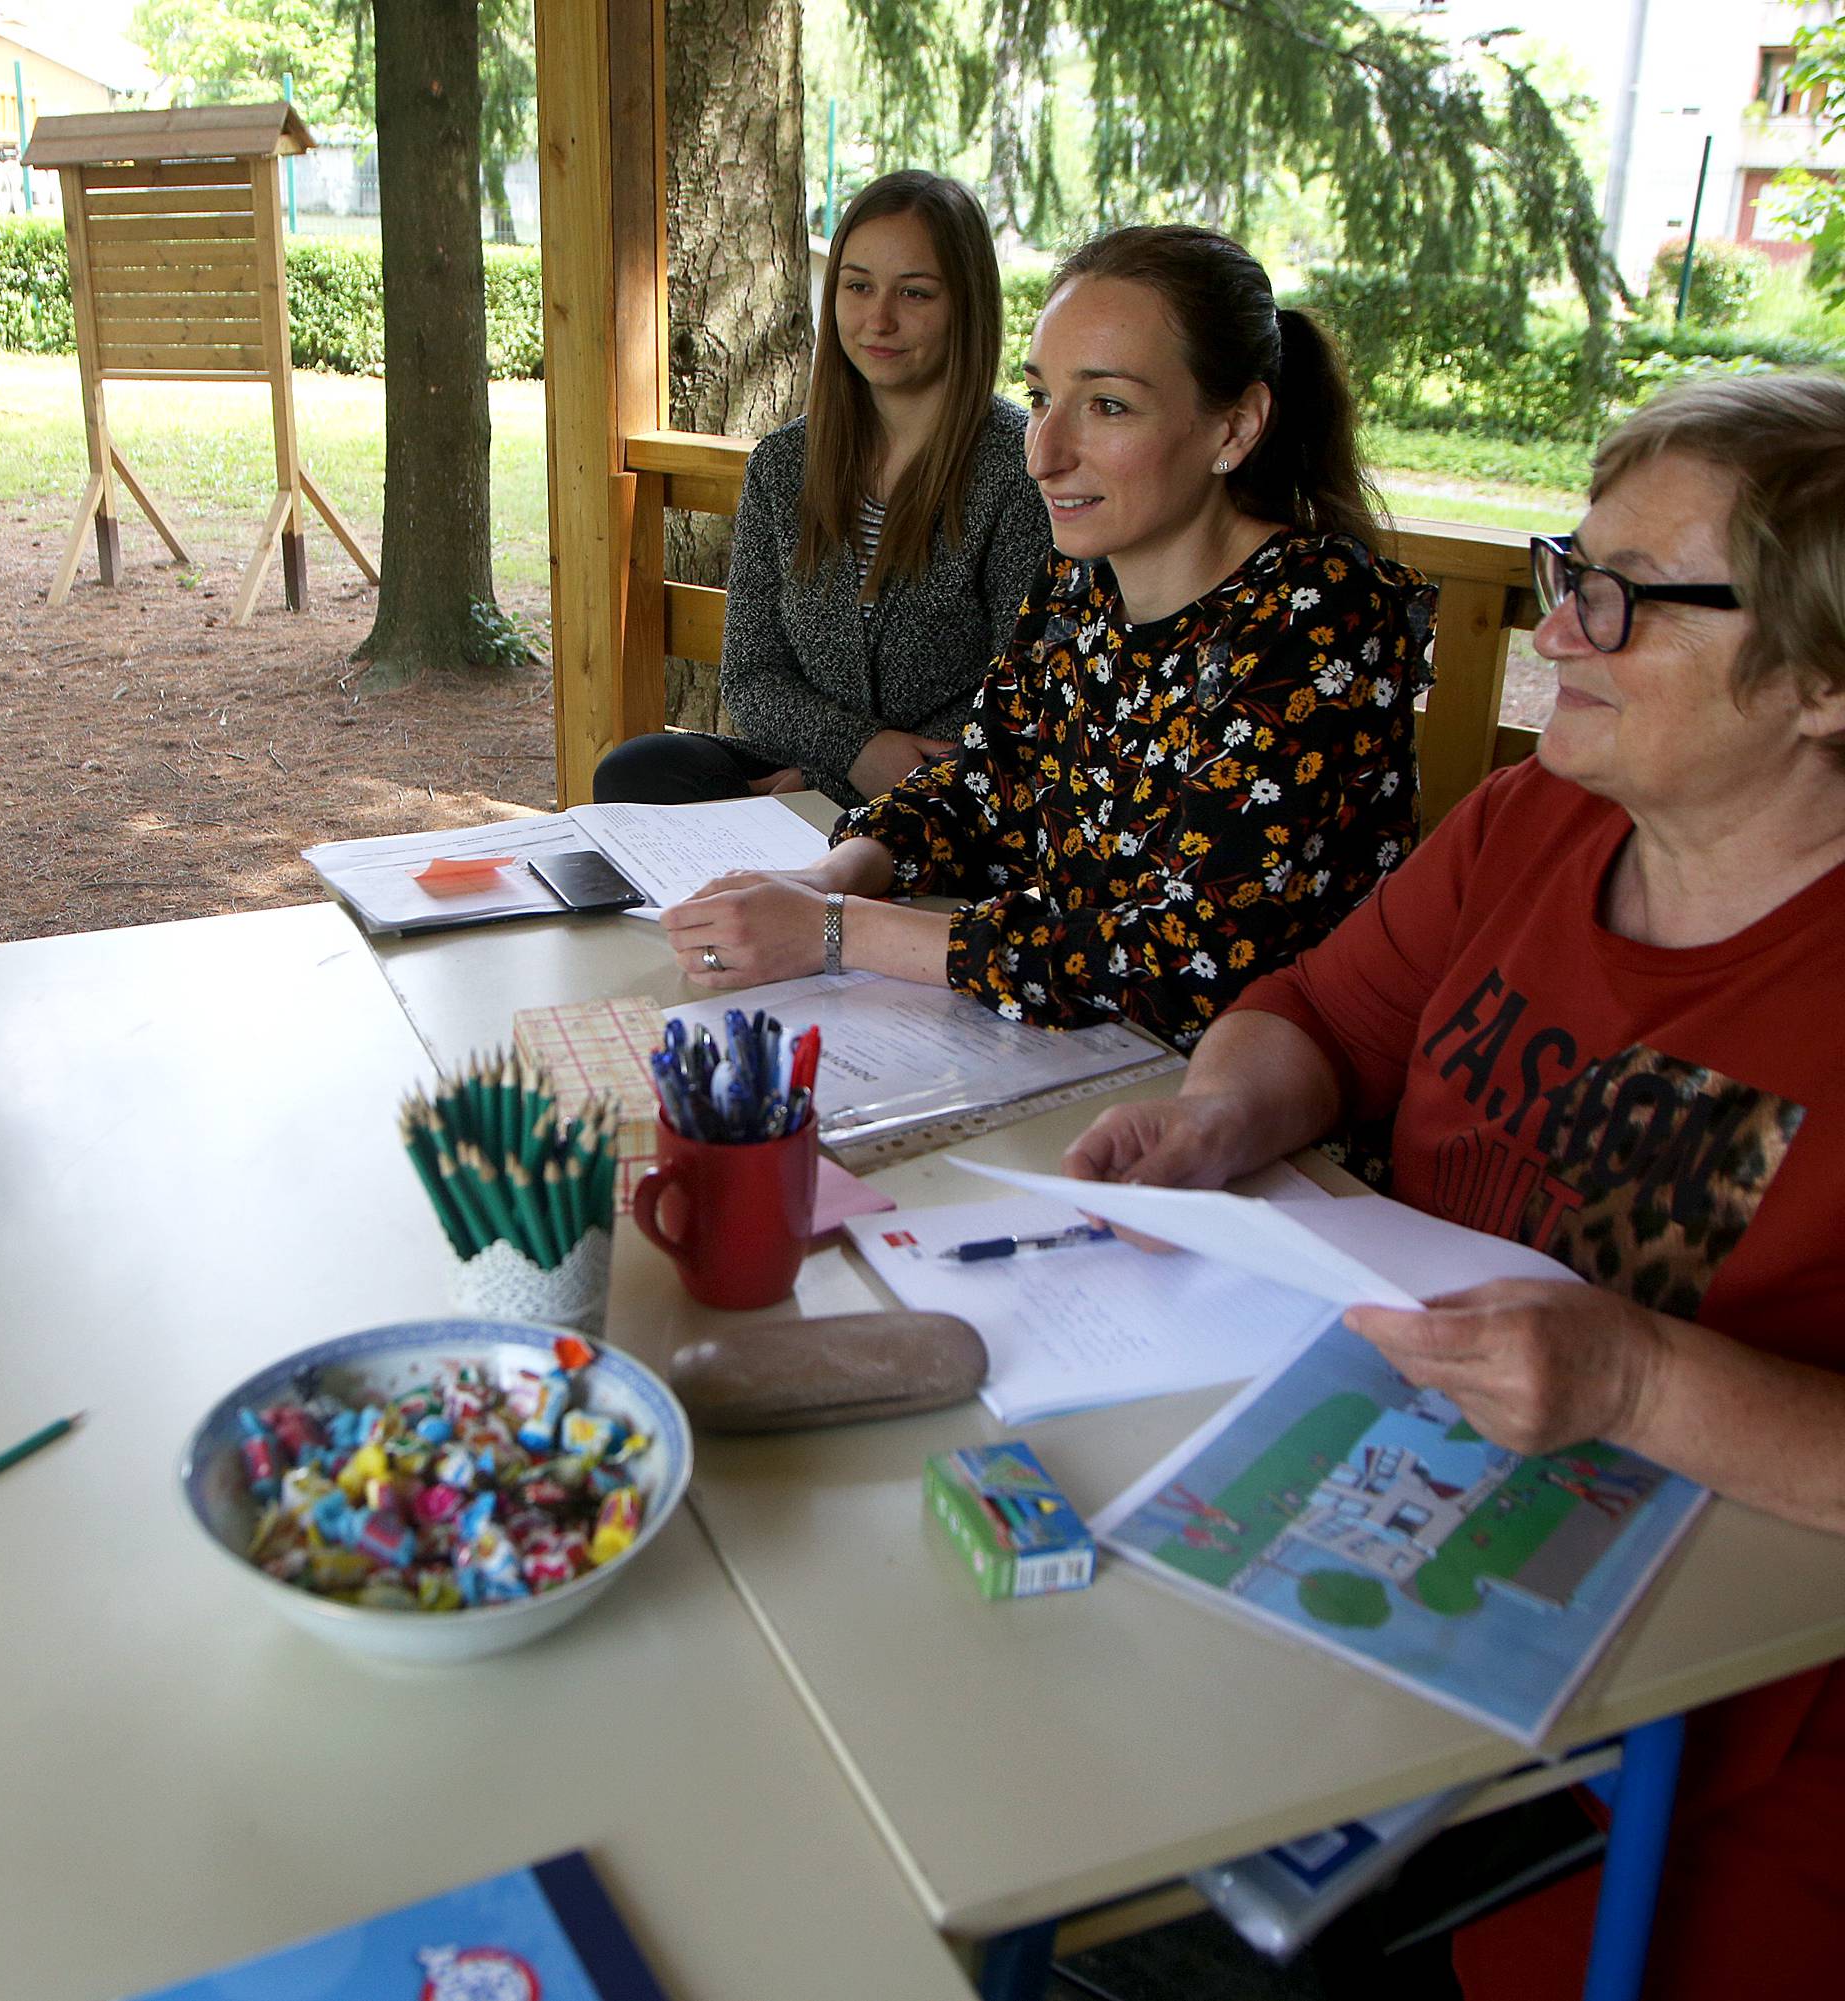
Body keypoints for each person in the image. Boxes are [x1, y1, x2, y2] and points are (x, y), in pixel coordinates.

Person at [1063, 371, 1845, 1998]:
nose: (1559, 631)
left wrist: (1628, 1369)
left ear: (1823, 678)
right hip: (1368, 1572)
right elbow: (1317, 1016)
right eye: (1573, 570)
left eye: (1625, 601)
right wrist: (1220, 1118)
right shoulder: (1533, 825)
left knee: (1080, 1921)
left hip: (1659, 1769)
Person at [660, 225, 1435, 1049]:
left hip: (1246, 1121)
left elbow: (1192, 963)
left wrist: (835, 930)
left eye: (1107, 406)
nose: (1044, 454)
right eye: (1039, 398)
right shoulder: (1083, 584)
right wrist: (828, 874)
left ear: (1235, 427)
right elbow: (986, 783)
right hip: (1067, 1058)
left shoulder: (1320, 618)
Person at [594, 171, 1051, 809]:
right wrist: (851, 756)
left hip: (953, 783)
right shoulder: (785, 463)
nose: (879, 319)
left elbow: (1026, 700)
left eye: (915, 294)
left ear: (966, 304)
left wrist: (844, 782)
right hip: (815, 755)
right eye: (858, 286)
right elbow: (752, 680)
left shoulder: (1019, 466)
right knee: (639, 770)